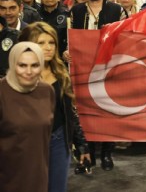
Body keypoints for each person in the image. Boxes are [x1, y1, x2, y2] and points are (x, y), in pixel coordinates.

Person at [19, 22, 90, 192]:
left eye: (51, 43)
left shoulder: (61, 73)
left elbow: (70, 112)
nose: (48, 48)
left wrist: (82, 145)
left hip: (59, 140)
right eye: (41, 43)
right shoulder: (16, 77)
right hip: (26, 144)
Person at [69, 0, 126, 170]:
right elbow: (68, 39)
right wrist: (66, 52)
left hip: (109, 68)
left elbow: (126, 38)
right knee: (86, 111)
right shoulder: (75, 12)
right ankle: (89, 153)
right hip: (83, 69)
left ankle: (107, 154)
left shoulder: (116, 10)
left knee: (108, 110)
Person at [0, 42, 54, 192]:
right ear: (12, 64)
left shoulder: (47, 91)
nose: (29, 71)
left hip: (38, 178)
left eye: (35, 65)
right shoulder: (2, 92)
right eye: (22, 65)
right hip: (6, 181)